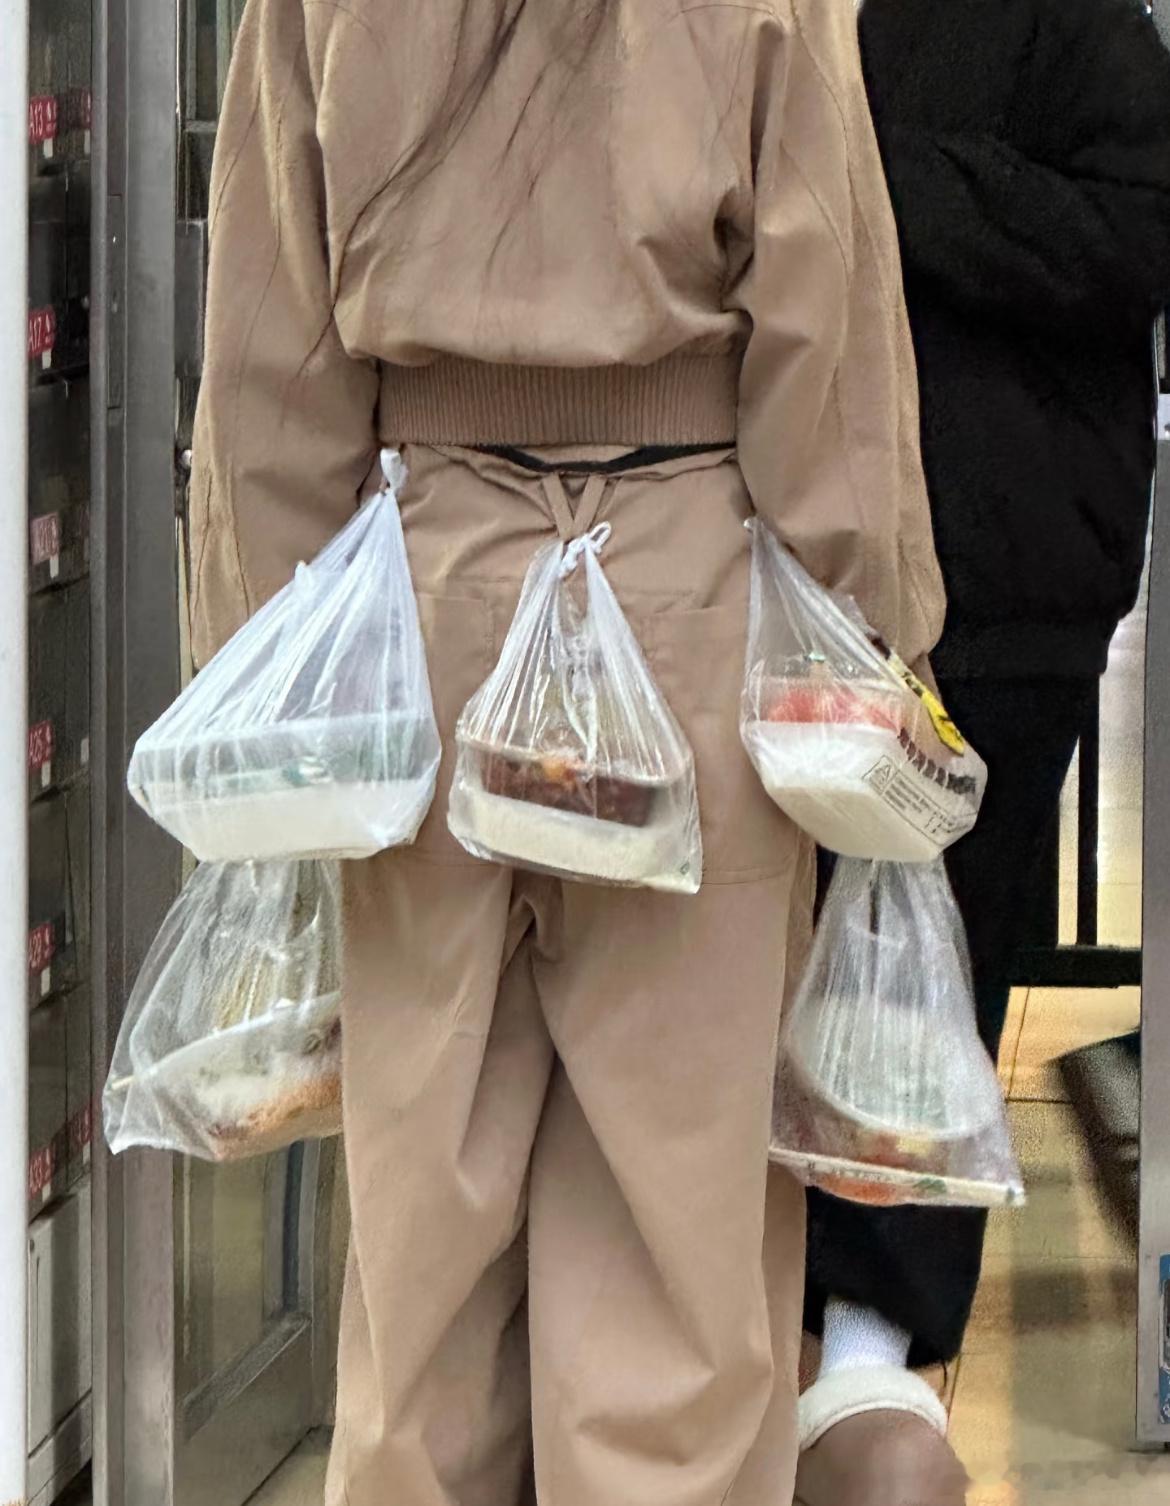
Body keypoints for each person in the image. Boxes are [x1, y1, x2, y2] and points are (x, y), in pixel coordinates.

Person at [187, 3, 943, 1504]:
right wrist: (881, 634)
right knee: (677, 1243)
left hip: (422, 597)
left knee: (422, 1242)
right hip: (685, 601)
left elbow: (271, 349)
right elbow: (828, 342)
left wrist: (256, 662)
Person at [795, 3, 1170, 1502]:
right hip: (771, 581)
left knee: (929, 965)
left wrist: (879, 172)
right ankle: (759, 1319)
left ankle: (868, 1352)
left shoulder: (1065, 24)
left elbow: (1138, 231)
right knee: (739, 969)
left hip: (1000, 582)